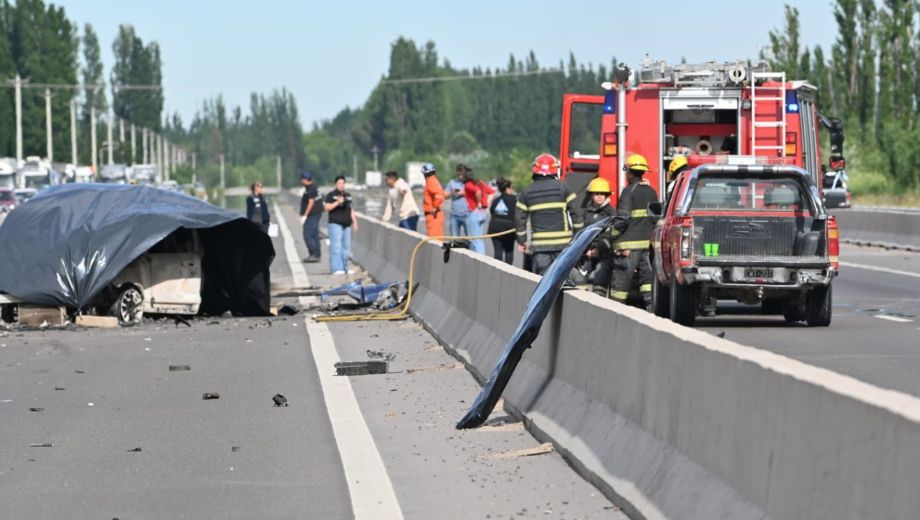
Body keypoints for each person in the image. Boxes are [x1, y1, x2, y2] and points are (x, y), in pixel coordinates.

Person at [514, 153, 582, 275]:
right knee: (562, 276)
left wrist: (522, 241)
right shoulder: (564, 188)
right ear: (555, 170)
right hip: (563, 244)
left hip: (540, 245)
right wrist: (579, 237)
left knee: (544, 277)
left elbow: (519, 218)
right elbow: (576, 214)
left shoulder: (527, 191)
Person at [610, 154, 658, 310]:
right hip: (646, 246)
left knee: (621, 282)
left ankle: (616, 310)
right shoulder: (652, 192)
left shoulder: (628, 191)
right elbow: (656, 218)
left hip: (627, 247)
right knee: (647, 279)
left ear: (629, 172)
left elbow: (623, 219)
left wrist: (611, 235)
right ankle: (651, 309)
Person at [581, 177, 617, 297]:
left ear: (607, 195)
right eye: (596, 193)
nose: (599, 196)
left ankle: (598, 302)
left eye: (602, 194)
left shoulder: (612, 213)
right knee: (577, 278)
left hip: (605, 253)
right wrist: (586, 249)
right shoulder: (585, 213)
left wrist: (598, 248)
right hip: (587, 253)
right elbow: (581, 232)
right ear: (591, 195)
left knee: (600, 282)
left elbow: (612, 234)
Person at [324, 175, 359, 275]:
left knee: (346, 248)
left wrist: (354, 221)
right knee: (336, 246)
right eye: (339, 183)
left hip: (346, 224)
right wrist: (337, 202)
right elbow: (327, 207)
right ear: (335, 184)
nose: (341, 185)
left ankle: (345, 268)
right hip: (335, 223)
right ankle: (336, 268)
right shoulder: (331, 195)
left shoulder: (348, 195)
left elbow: (350, 209)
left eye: (343, 183)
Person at [463, 168, 494, 254]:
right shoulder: (480, 182)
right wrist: (486, 204)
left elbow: (478, 192)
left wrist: (479, 203)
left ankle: (477, 257)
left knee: (474, 239)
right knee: (479, 239)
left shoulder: (468, 184)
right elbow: (492, 192)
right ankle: (481, 256)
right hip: (483, 213)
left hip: (474, 212)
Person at [487, 178, 516, 264]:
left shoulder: (496, 200)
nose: (512, 190)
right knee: (509, 251)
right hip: (509, 229)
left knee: (498, 252)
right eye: (511, 188)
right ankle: (508, 270)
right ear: (507, 188)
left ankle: (497, 268)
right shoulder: (514, 199)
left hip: (495, 228)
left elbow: (492, 211)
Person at [299, 171, 322, 263]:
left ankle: (314, 254)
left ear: (305, 179)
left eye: (302, 179)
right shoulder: (313, 187)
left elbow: (311, 202)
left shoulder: (311, 188)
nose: (301, 181)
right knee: (314, 234)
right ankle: (316, 254)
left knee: (308, 234)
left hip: (312, 215)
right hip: (315, 214)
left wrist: (305, 215)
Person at [421, 162, 446, 237]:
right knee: (435, 239)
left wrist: (435, 207)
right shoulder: (434, 181)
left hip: (433, 215)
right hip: (434, 215)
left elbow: (439, 196)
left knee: (434, 239)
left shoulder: (431, 181)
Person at [446, 164, 469, 237]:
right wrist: (451, 193)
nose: (460, 176)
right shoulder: (452, 182)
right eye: (458, 174)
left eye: (462, 174)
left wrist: (463, 193)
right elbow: (445, 196)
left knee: (470, 238)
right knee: (454, 238)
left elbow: (476, 193)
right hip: (454, 215)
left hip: (467, 214)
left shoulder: (469, 182)